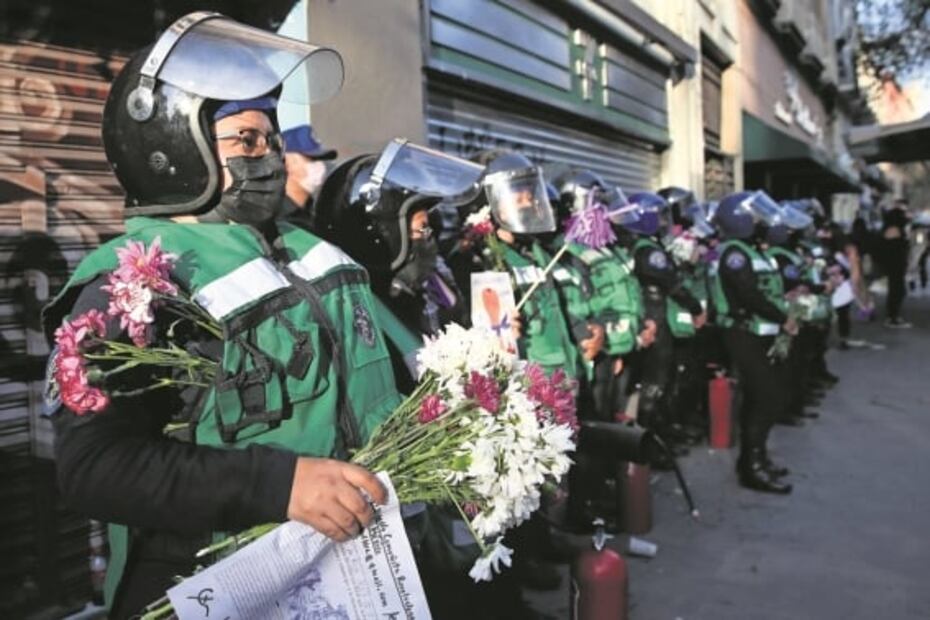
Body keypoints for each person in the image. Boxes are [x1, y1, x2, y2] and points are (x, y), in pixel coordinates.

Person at [41, 15, 398, 618]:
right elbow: (94, 468)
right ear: (177, 148)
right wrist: (279, 485)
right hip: (212, 587)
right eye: (249, 141)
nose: (273, 158)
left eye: (274, 140)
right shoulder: (136, 283)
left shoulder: (310, 253)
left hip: (339, 577)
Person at [709, 190, 794, 494]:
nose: (762, 221)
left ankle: (755, 459)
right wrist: (784, 317)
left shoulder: (753, 250)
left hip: (760, 333)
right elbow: (748, 294)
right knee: (766, 397)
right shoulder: (734, 253)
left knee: (764, 398)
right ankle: (752, 468)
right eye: (755, 215)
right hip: (742, 333)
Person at [625, 192, 706, 458]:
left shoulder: (648, 246)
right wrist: (695, 307)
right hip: (654, 316)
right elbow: (671, 281)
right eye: (659, 216)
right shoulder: (648, 250)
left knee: (667, 378)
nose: (664, 222)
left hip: (659, 316)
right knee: (655, 381)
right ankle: (652, 445)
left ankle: (664, 434)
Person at [280, 123, 338, 227]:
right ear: (286, 162)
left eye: (321, 159)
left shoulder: (319, 213)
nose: (320, 166)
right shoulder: (275, 220)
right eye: (311, 159)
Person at [881, 199, 912, 327]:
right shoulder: (894, 231)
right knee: (897, 290)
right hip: (896, 266)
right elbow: (897, 250)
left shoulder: (892, 229)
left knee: (897, 290)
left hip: (895, 266)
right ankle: (893, 317)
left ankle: (893, 316)